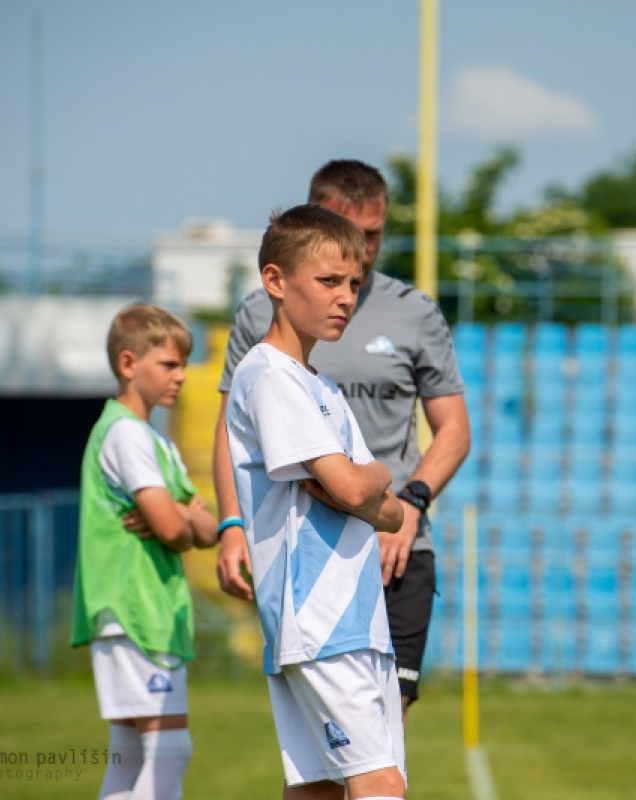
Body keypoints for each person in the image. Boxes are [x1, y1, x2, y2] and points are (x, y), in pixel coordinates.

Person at [214, 159, 470, 722]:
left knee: (382, 732)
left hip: (397, 547)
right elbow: (228, 425)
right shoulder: (265, 313)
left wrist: (410, 504)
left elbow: (454, 430)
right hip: (310, 557)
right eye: (343, 231)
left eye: (373, 234)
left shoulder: (414, 312)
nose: (361, 246)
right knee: (341, 759)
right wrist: (231, 525)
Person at [225, 204, 406, 798]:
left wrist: (362, 484)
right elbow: (360, 491)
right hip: (320, 617)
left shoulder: (318, 384)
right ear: (275, 281)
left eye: (353, 283)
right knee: (381, 784)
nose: (346, 297)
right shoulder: (270, 376)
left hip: (351, 618)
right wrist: (372, 475)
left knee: (317, 791)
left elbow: (391, 511)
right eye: (328, 281)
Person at [71, 302, 218, 800]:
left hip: (143, 614)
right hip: (134, 611)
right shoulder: (126, 434)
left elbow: (207, 528)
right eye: (169, 365)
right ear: (129, 364)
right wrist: (178, 517)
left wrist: (179, 514)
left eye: (184, 364)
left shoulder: (157, 442)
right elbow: (177, 531)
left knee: (129, 755)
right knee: (169, 750)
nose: (181, 376)